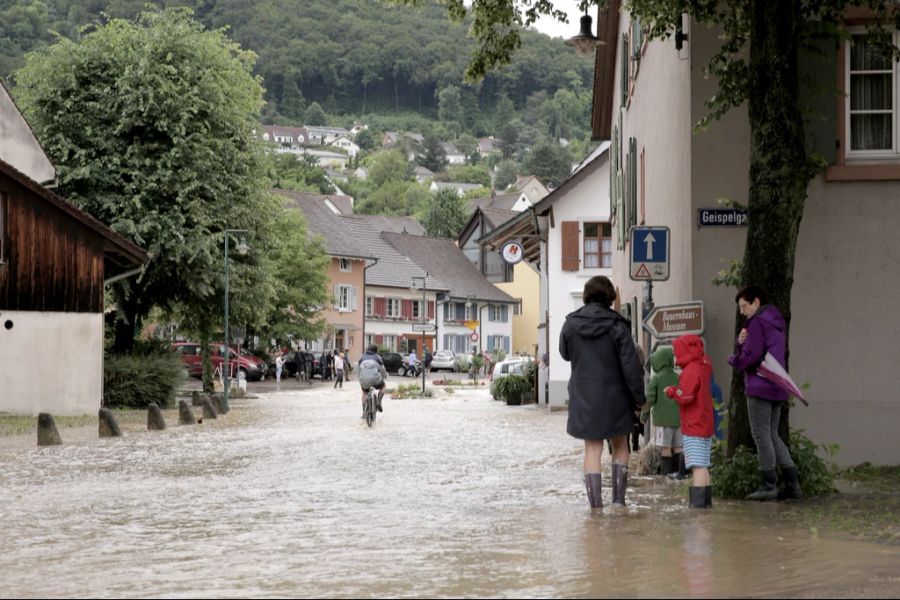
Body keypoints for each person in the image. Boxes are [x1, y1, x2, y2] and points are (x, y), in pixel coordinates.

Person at [560, 276, 646, 509]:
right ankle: (618, 501)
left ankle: (595, 506)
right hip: (616, 396)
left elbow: (565, 354)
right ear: (610, 298)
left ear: (587, 296)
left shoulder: (570, 324)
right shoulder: (618, 325)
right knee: (620, 444)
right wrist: (639, 399)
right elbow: (631, 366)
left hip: (584, 396)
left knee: (593, 447)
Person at [727, 285, 802, 501]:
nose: (742, 312)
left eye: (744, 306)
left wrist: (734, 357)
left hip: (760, 385)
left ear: (756, 302)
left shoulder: (757, 322)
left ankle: (768, 485)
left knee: (761, 435)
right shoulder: (777, 323)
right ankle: (792, 484)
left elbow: (751, 357)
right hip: (778, 384)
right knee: (772, 434)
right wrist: (740, 342)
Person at [665, 334, 715, 508]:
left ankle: (698, 509)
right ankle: (706, 505)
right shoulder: (703, 366)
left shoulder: (691, 370)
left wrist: (672, 391)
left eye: (676, 351)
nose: (675, 355)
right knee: (704, 465)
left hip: (694, 425)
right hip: (705, 424)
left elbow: (685, 396)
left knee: (697, 466)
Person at [640, 345, 682, 476]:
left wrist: (644, 415)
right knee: (678, 447)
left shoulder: (656, 378)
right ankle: (679, 474)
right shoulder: (678, 377)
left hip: (663, 421)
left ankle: (666, 476)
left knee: (665, 448)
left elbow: (650, 399)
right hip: (679, 420)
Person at [358, 344, 388, 416]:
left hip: (364, 380)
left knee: (364, 393)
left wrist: (360, 378)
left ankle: (364, 412)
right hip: (376, 380)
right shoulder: (377, 357)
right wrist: (385, 377)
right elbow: (382, 370)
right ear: (376, 351)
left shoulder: (362, 357)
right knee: (383, 386)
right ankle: (379, 402)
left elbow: (359, 370)